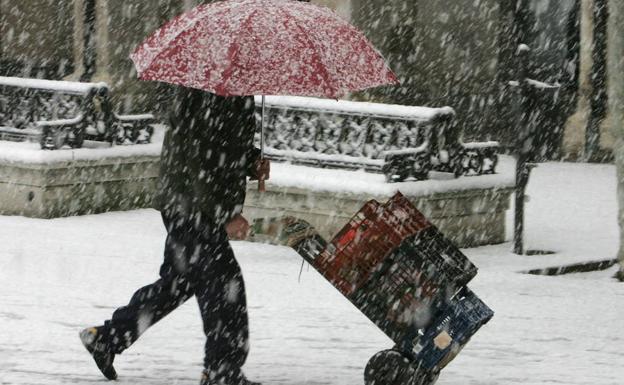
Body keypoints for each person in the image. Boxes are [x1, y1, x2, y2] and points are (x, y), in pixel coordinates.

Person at [79, 85, 270, 385]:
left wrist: (251, 161)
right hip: (192, 205)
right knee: (224, 285)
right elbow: (197, 155)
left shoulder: (233, 88)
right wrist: (225, 213)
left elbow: (224, 145)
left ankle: (107, 338)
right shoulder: (207, 87)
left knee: (179, 283)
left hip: (191, 204)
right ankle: (222, 371)